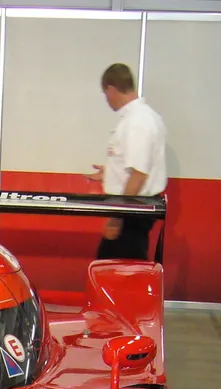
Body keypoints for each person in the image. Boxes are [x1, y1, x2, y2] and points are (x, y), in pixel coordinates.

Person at [86, 63, 167, 262]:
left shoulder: (137, 122)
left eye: (105, 94)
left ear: (111, 89)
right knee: (117, 267)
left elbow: (139, 175)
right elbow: (137, 166)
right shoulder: (144, 117)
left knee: (117, 269)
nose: (107, 100)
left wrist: (117, 217)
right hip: (135, 211)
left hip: (132, 213)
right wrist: (110, 172)